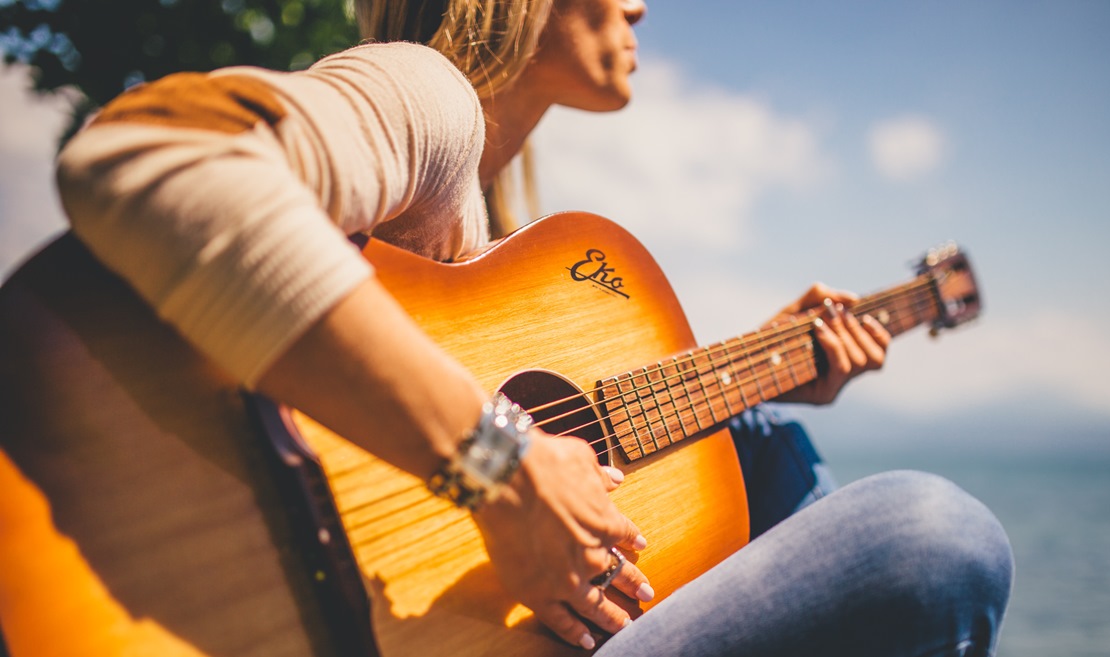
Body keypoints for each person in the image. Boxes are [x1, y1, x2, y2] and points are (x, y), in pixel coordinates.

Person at [53, 0, 1013, 654]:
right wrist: (500, 470)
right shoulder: (426, 95)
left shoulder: (498, 240)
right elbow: (155, 154)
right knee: (933, 533)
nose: (640, 5)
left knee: (768, 440)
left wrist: (764, 368)